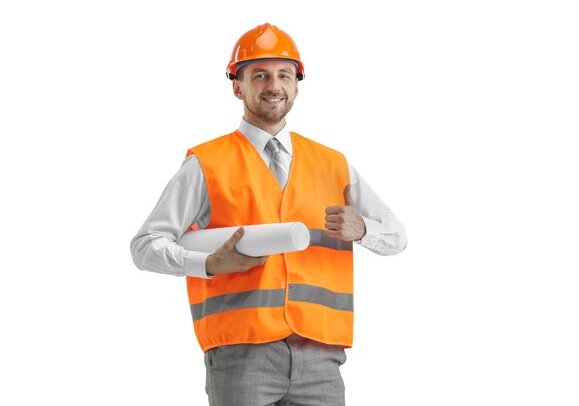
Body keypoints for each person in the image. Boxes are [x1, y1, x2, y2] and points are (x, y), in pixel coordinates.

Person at [130, 23, 407, 406]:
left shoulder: (333, 164)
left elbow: (396, 236)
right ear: (237, 86)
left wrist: (362, 230)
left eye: (284, 75)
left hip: (321, 356)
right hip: (241, 355)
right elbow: (145, 246)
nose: (273, 84)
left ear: (296, 84)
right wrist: (208, 263)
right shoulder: (207, 164)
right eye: (259, 75)